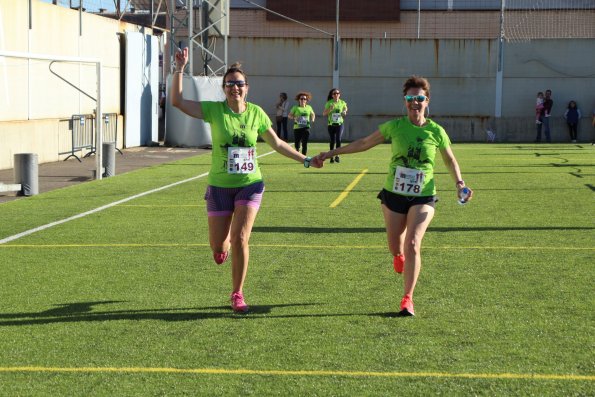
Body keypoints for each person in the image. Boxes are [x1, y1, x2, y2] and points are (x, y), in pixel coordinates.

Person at [170, 48, 322, 313]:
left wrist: (305, 159)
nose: (235, 88)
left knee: (241, 238)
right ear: (224, 88)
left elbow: (277, 143)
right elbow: (178, 102)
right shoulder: (214, 110)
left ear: (247, 88)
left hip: (250, 184)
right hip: (219, 186)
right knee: (219, 246)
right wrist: (180, 69)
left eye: (239, 83)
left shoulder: (257, 113)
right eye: (230, 84)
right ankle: (222, 248)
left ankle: (237, 293)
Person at [316, 76, 472, 317]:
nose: (415, 102)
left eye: (419, 98)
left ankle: (407, 299)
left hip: (424, 196)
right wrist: (331, 153)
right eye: (410, 98)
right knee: (395, 245)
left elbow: (449, 159)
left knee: (413, 243)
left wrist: (460, 183)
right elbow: (365, 143)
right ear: (405, 101)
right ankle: (397, 257)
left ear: (427, 101)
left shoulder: (436, 131)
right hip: (394, 195)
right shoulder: (395, 126)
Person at [322, 88, 348, 163]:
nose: (336, 95)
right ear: (332, 95)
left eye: (337, 93)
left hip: (339, 124)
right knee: (332, 140)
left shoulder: (342, 102)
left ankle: (337, 155)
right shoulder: (329, 103)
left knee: (338, 139)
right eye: (334, 94)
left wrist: (344, 111)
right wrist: (330, 109)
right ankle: (331, 156)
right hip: (331, 125)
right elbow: (324, 113)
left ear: (339, 95)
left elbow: (345, 108)